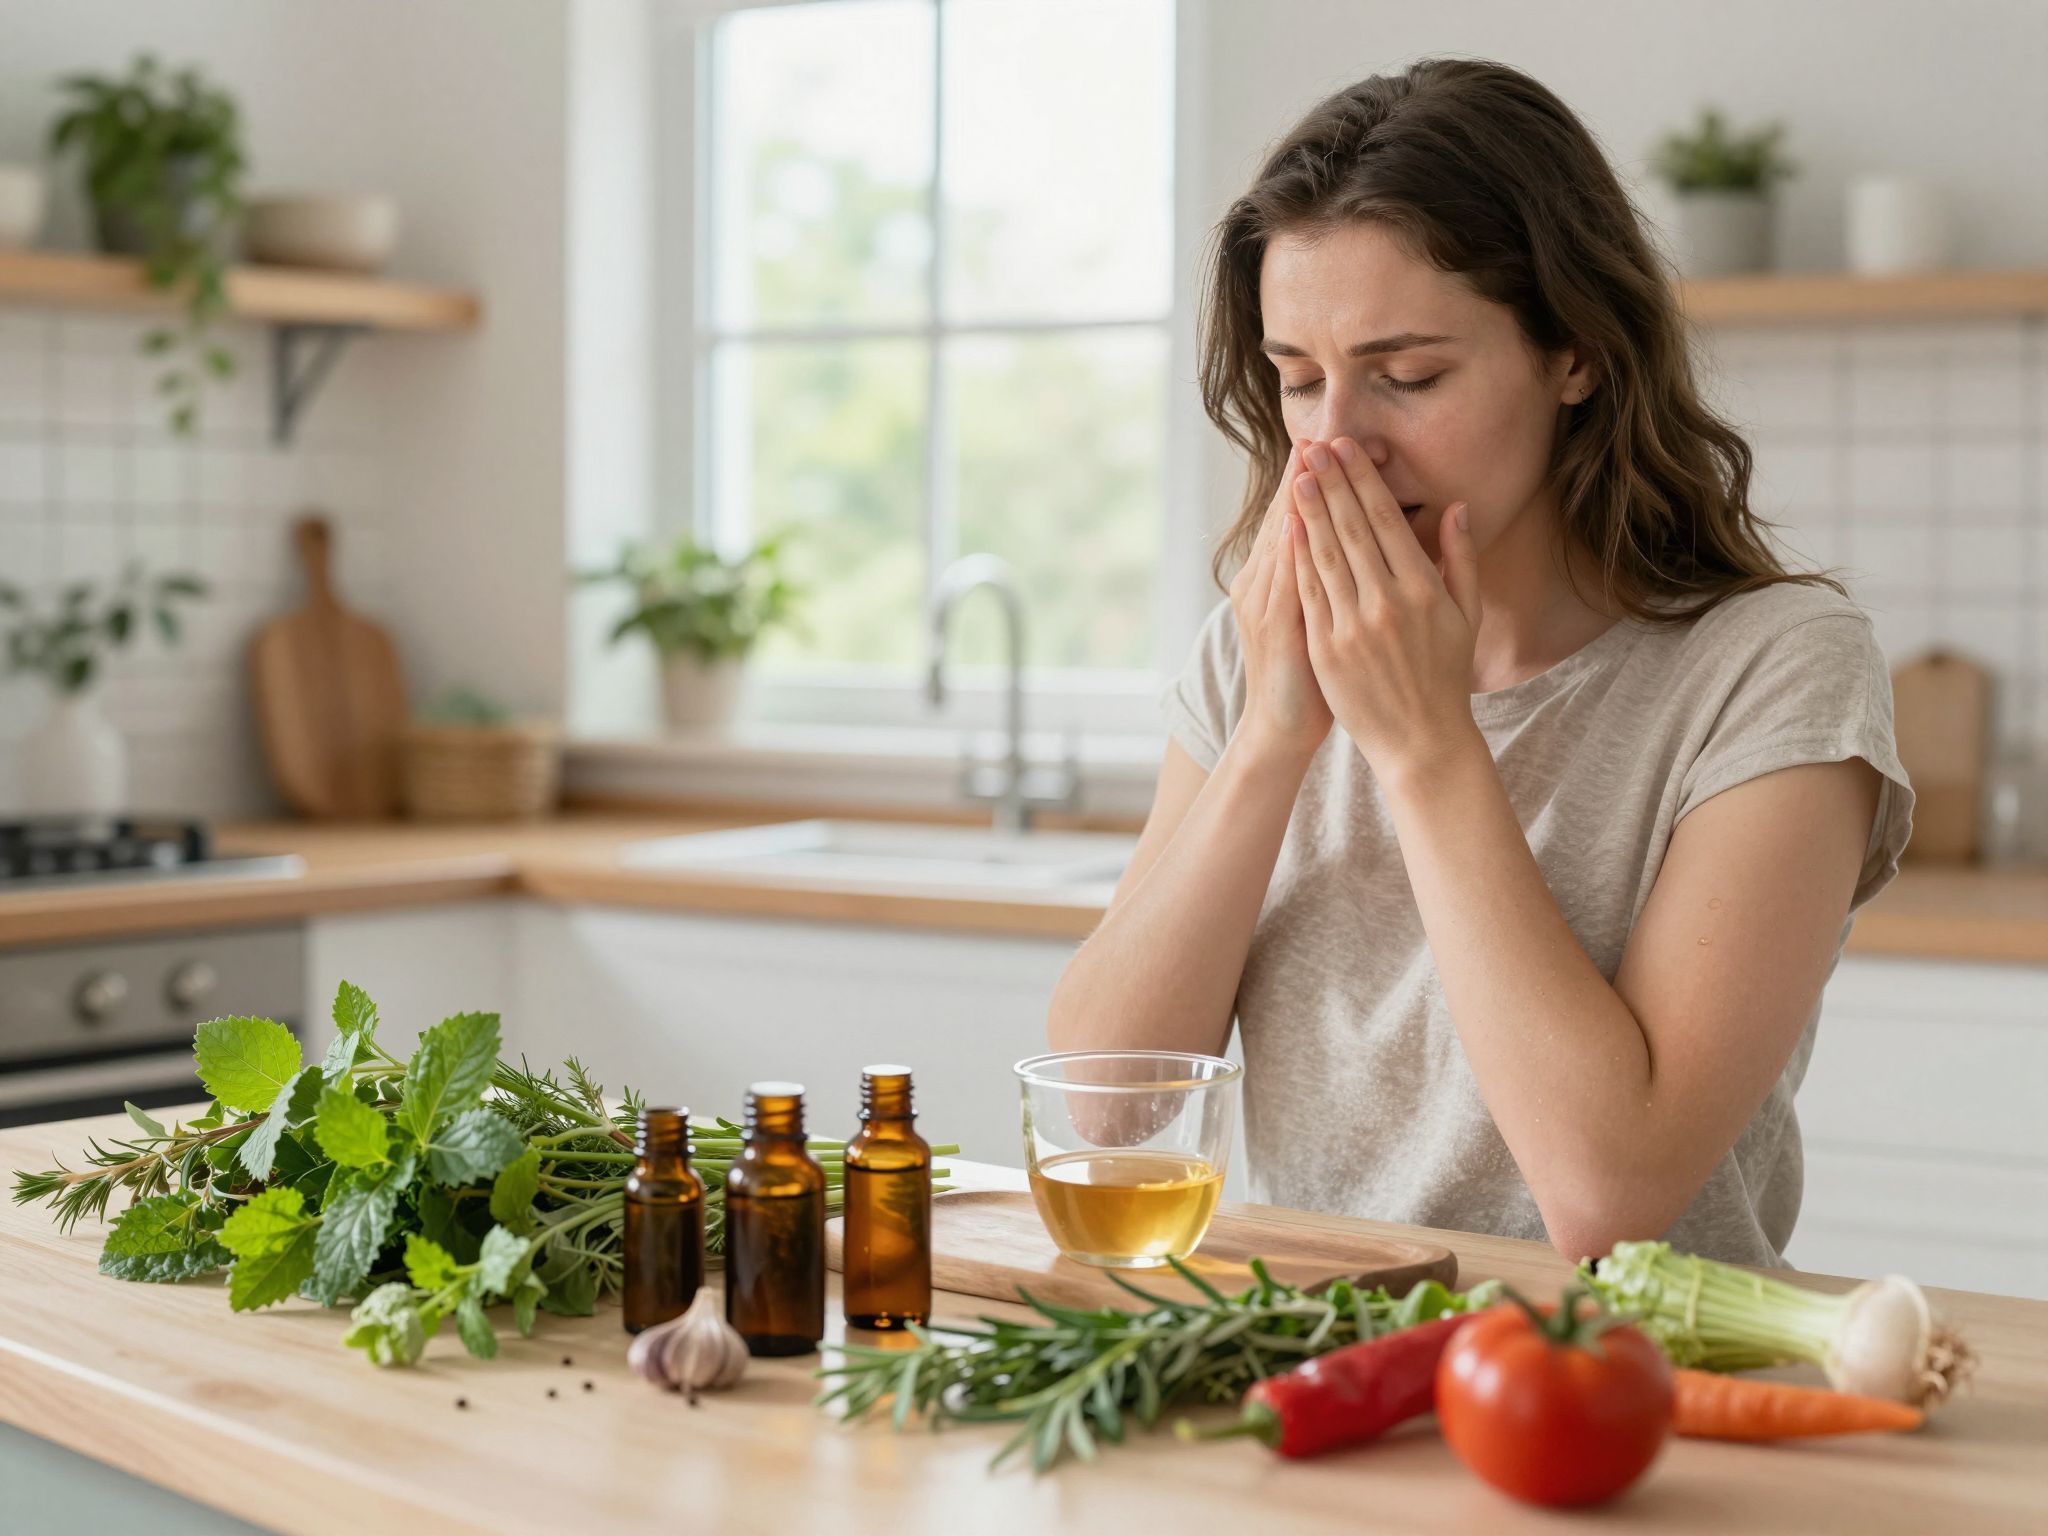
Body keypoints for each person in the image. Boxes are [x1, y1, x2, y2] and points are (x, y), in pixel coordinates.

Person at [1046, 58, 1913, 1270]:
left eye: (1406, 377)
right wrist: (1270, 742)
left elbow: (1610, 1198)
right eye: (1298, 381)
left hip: (1628, 1402)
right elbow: (1105, 1109)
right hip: (1313, 1375)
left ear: (1575, 355)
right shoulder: (1258, 652)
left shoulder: (1770, 673)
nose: (1335, 441)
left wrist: (1423, 745)